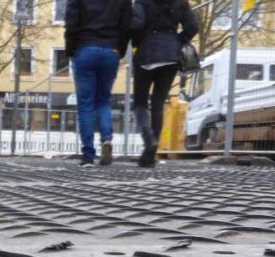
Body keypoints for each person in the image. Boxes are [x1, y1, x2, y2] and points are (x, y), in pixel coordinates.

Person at [131, 0, 198, 167]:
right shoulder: (181, 2)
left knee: (140, 102)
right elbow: (193, 26)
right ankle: (150, 154)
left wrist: (138, 42)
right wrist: (178, 40)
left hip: (147, 53)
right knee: (158, 104)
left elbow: (137, 24)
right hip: (171, 55)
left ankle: (148, 139)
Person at [65, 0, 132, 167]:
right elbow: (127, 25)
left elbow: (71, 23)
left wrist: (71, 49)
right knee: (103, 100)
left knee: (85, 105)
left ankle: (88, 155)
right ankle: (106, 140)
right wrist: (120, 49)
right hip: (110, 50)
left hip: (85, 48)